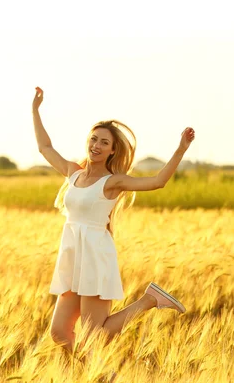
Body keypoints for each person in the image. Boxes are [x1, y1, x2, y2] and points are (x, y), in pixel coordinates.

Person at [32, 87, 195, 352]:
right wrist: (35, 110)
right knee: (61, 332)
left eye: (103, 143)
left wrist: (180, 149)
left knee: (92, 337)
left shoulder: (112, 182)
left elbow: (157, 181)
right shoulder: (74, 173)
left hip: (95, 256)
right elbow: (44, 147)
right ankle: (101, 378)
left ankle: (148, 301)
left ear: (112, 151)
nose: (96, 145)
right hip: (73, 256)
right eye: (94, 139)